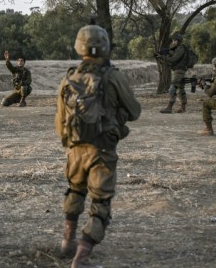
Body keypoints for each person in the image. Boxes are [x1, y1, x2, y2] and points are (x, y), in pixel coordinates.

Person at [54, 24, 141, 268]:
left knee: (75, 191)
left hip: (75, 151)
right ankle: (81, 259)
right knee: (100, 203)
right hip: (102, 151)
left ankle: (67, 243)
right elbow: (135, 111)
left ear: (78, 46)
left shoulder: (69, 78)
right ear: (105, 46)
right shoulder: (113, 76)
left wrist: (71, 145)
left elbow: (60, 122)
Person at [157, 32, 189, 113]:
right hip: (178, 70)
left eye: (174, 40)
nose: (173, 42)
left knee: (172, 88)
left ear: (178, 41)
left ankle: (169, 107)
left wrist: (163, 57)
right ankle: (183, 107)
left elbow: (173, 59)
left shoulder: (180, 49)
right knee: (181, 89)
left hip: (179, 71)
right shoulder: (178, 49)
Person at [198, 56, 216, 135]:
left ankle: (208, 129)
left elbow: (210, 93)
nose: (214, 68)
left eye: (215, 66)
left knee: (206, 102)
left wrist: (204, 85)